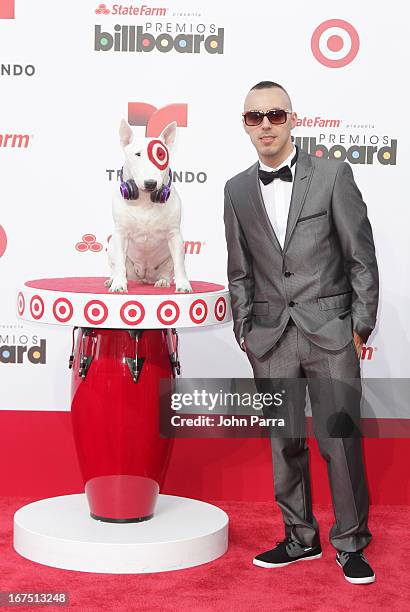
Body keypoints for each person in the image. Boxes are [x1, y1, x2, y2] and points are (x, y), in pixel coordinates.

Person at [223, 81, 379, 585]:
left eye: (274, 114)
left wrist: (360, 326)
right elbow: (239, 271)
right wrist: (245, 331)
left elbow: (361, 256)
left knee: (339, 440)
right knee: (284, 442)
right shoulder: (237, 189)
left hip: (330, 333)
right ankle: (299, 538)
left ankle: (351, 543)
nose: (265, 124)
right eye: (254, 117)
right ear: (245, 124)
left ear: (293, 118)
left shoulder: (333, 174)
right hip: (269, 338)